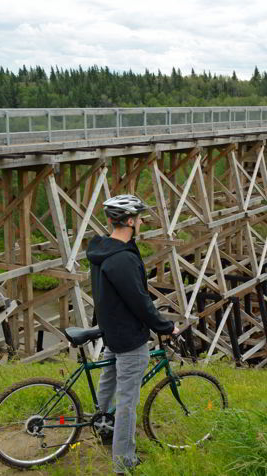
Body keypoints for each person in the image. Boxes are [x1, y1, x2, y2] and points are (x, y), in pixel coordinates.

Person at [87, 194, 179, 474]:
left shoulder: (101, 248)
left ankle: (102, 427)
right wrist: (165, 326)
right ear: (128, 221)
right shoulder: (123, 259)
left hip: (111, 330)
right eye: (138, 217)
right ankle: (123, 461)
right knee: (127, 401)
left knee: (108, 382)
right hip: (128, 336)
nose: (141, 221)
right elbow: (139, 301)